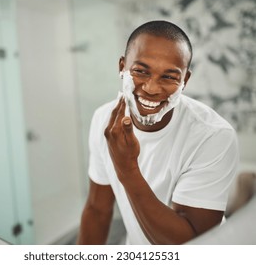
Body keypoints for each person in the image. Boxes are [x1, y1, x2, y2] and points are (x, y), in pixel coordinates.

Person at [77, 20, 239, 245]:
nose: (151, 88)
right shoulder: (103, 119)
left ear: (185, 81)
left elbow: (189, 246)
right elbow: (97, 209)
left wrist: (127, 169)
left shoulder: (213, 135)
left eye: (169, 77)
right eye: (141, 71)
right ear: (122, 67)